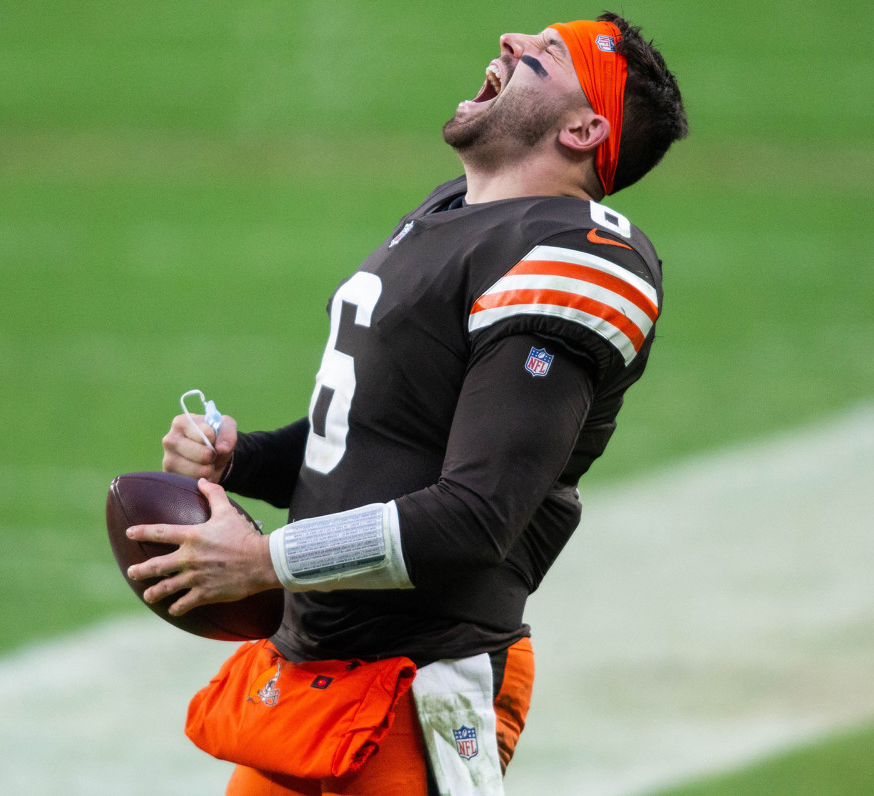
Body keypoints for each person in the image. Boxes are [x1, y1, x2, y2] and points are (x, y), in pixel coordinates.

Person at [126, 12, 688, 795]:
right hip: (311, 673)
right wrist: (242, 455)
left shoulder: (576, 254)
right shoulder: (448, 210)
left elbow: (476, 516)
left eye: (545, 56)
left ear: (585, 128)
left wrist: (264, 560)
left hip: (420, 684)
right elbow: (371, 441)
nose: (510, 43)